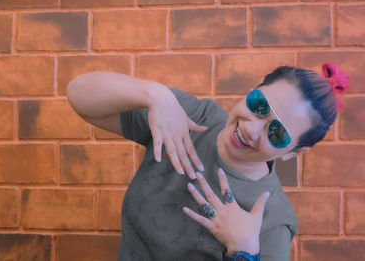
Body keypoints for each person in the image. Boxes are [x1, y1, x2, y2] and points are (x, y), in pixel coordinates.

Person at [66, 63, 349, 260]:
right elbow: (78, 94)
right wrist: (155, 96)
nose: (251, 129)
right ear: (253, 88)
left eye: (277, 132)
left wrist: (243, 252)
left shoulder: (272, 221)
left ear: (292, 152)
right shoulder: (195, 119)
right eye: (259, 106)